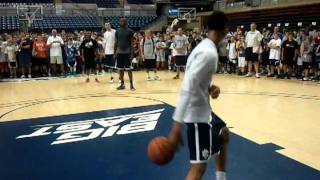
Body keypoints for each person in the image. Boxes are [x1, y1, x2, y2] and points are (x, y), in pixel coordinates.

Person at [168, 11, 229, 180]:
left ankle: (221, 178)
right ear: (224, 29)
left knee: (224, 133)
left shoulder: (203, 46)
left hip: (204, 112)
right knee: (199, 169)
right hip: (197, 117)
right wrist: (176, 126)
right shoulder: (209, 53)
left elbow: (194, 78)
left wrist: (209, 88)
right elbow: (187, 86)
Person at [114, 17, 135, 90]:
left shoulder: (130, 31)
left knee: (129, 69)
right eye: (120, 21)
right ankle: (122, 84)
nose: (121, 22)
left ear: (126, 22)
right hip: (119, 53)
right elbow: (116, 42)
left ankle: (131, 85)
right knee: (120, 69)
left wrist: (132, 54)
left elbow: (132, 43)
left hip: (127, 52)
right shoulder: (117, 31)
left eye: (123, 21)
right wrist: (114, 53)